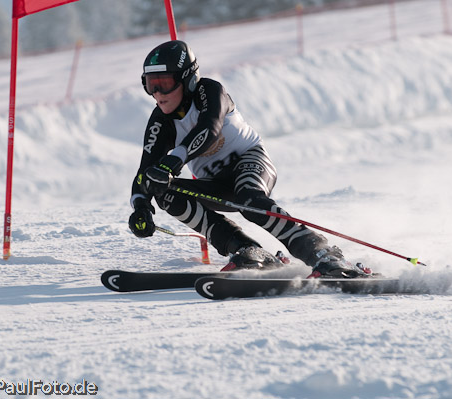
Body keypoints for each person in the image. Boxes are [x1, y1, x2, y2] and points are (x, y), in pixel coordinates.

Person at [128, 40, 368, 278]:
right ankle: (246, 249)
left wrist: (175, 159)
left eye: (165, 83)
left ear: (187, 79)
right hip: (216, 185)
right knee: (165, 192)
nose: (157, 93)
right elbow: (145, 172)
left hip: (251, 161)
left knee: (248, 199)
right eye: (151, 85)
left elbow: (209, 130)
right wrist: (140, 205)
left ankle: (322, 253)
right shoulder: (160, 121)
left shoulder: (209, 92)